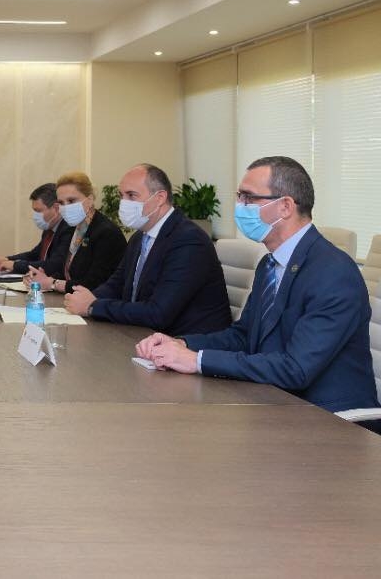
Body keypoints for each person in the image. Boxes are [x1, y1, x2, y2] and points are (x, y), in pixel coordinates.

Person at [137, 157, 378, 412]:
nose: (240, 206)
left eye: (249, 198)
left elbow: (296, 369)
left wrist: (197, 360)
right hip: (272, 401)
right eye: (239, 196)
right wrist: (183, 344)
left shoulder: (334, 273)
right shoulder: (270, 264)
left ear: (285, 206)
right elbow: (243, 336)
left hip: (327, 417)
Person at [64, 164, 231, 336]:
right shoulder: (139, 237)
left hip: (187, 342)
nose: (123, 203)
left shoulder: (189, 240)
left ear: (159, 198)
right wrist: (87, 297)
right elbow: (117, 284)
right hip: (144, 334)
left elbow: (158, 313)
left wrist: (93, 306)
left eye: (131, 195)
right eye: (121, 196)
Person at [22, 172, 126, 295]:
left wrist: (53, 283)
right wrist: (42, 277)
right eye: (61, 203)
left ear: (90, 199)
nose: (66, 207)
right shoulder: (74, 228)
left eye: (71, 200)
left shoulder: (106, 233)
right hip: (71, 300)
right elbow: (69, 272)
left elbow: (95, 284)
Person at [0, 183, 73, 275]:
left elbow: (55, 265)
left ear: (56, 208)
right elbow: (35, 254)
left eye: (38, 211)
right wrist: (7, 259)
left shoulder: (68, 228)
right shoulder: (49, 227)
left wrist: (15, 265)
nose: (35, 216)